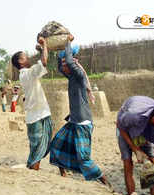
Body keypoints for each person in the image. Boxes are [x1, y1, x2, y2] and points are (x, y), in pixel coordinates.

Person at [49, 35, 111, 187]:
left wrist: (68, 42)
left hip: (82, 123)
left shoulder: (78, 74)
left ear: (73, 64)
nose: (63, 66)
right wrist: (58, 50)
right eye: (63, 63)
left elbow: (69, 61)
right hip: (74, 121)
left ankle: (104, 181)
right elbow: (59, 67)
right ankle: (63, 174)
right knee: (57, 144)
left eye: (66, 63)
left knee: (83, 158)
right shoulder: (71, 77)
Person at [116, 96, 154, 195]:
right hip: (126, 128)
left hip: (146, 128)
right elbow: (120, 126)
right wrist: (135, 149)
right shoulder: (133, 116)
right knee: (128, 162)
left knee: (153, 164)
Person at [11, 36, 52, 170]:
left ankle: (33, 167)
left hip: (39, 114)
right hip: (36, 116)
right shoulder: (27, 74)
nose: (28, 58)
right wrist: (45, 44)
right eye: (25, 57)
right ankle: (33, 168)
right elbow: (44, 62)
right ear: (20, 62)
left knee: (38, 147)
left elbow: (41, 63)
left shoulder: (27, 74)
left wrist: (41, 50)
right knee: (37, 147)